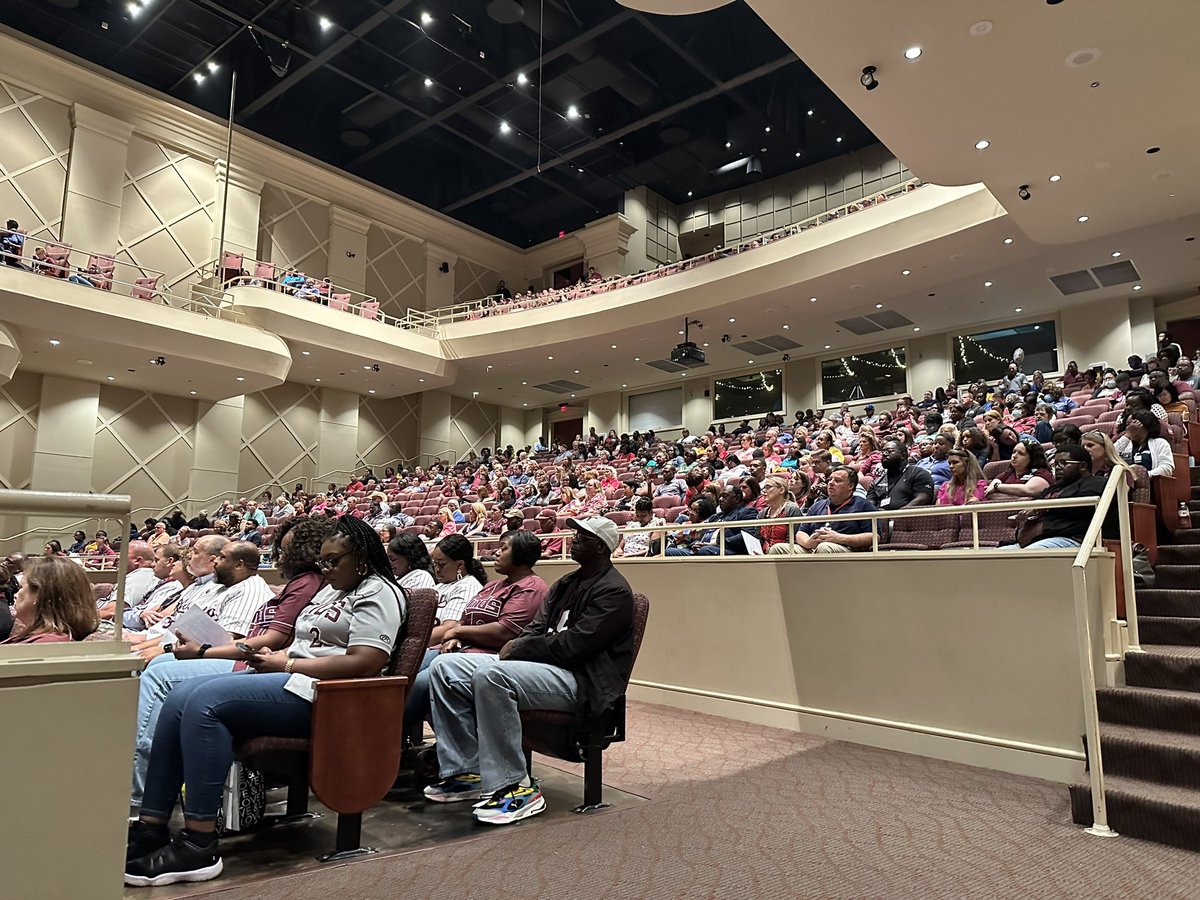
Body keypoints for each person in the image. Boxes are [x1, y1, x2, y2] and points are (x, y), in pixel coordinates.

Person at [124, 516, 405, 887]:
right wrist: (234, 653)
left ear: (363, 556)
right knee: (178, 698)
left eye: (335, 560)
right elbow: (304, 641)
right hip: (291, 679)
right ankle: (152, 826)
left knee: (205, 704)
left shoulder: (378, 591)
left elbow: (367, 660)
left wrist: (286, 662)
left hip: (329, 697)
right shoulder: (331, 591)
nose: (327, 569)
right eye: (323, 561)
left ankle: (198, 844)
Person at [423, 516, 634, 825]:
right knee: (445, 667)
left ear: (601, 548)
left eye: (582, 537)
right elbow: (536, 629)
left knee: (492, 675)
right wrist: (522, 646)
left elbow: (575, 647)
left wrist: (520, 648)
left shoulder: (614, 592)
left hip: (581, 680)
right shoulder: (566, 583)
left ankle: (516, 786)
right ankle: (467, 770)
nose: (573, 539)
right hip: (544, 668)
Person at [129, 517, 332, 811]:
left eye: (286, 551)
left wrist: (202, 652)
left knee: (163, 677)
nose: (278, 557)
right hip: (250, 660)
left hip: (257, 664)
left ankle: (140, 796)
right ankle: (151, 798)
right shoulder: (298, 584)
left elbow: (268, 641)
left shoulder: (306, 584)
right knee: (161, 670)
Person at [404, 531, 548, 733]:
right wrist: (456, 637)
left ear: (522, 554)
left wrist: (459, 632)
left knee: (421, 682)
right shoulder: (492, 585)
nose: (497, 553)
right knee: (408, 667)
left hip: (492, 657)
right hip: (461, 650)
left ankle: (384, 736)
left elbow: (503, 631)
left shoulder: (532, 587)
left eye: (504, 548)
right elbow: (465, 618)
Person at [1001, 445, 1105, 551]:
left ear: (1082, 466)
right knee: (991, 557)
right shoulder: (1055, 488)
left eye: (1063, 463)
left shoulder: (1094, 482)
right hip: (1035, 540)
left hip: (1070, 538)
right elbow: (1035, 502)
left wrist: (1042, 508)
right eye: (1055, 464)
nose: (1058, 467)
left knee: (1025, 555)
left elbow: (1082, 507)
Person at [768, 467, 877, 554]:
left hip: (847, 549)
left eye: (837, 480)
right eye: (830, 480)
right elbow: (801, 532)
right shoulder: (817, 505)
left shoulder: (863, 505)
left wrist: (839, 538)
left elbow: (874, 536)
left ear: (851, 486)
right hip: (813, 548)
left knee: (824, 548)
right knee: (778, 549)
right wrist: (807, 542)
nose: (831, 483)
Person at [0, 556, 97, 644]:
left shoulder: (48, 643)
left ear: (38, 595)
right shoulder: (40, 636)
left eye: (21, 587)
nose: (16, 594)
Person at [866, 440, 934, 510]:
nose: (884, 454)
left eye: (889, 451)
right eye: (883, 452)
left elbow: (922, 499)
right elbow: (870, 502)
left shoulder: (918, 473)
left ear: (903, 455)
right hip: (880, 518)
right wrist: (876, 513)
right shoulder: (877, 481)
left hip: (907, 517)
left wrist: (899, 514)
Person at [1114, 410, 1174, 477]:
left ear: (1143, 425)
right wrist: (1127, 436)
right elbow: (1110, 457)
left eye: (1131, 425)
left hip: (1150, 483)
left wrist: (1144, 476)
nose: (1128, 428)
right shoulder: (1125, 443)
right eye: (1127, 425)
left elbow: (1167, 468)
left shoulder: (1160, 443)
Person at [986, 440, 1054, 499]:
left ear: (1032, 458)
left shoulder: (1042, 473)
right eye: (1014, 452)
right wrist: (1017, 497)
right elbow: (990, 493)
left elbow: (1027, 490)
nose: (1014, 456)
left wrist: (998, 487)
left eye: (1021, 454)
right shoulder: (1010, 471)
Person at [756, 476, 804, 553]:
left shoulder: (792, 509)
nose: (764, 491)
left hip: (785, 555)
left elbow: (793, 540)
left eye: (768, 487)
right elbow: (758, 539)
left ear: (781, 490)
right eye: (763, 488)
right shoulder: (762, 513)